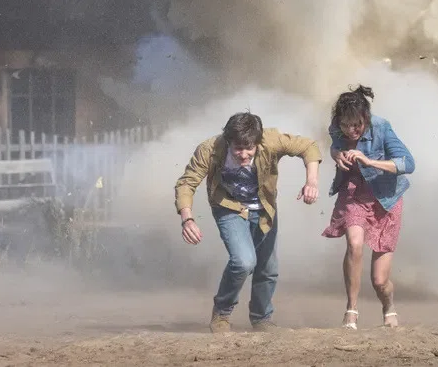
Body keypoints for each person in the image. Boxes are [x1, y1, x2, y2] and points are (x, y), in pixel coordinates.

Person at [174, 111, 322, 333]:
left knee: (268, 267)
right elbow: (186, 183)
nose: (243, 154)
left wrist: (311, 181)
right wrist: (187, 219)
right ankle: (222, 312)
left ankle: (262, 319)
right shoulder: (210, 149)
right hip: (228, 206)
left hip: (264, 208)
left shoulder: (271, 140)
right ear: (228, 142)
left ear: (258, 142)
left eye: (249, 148)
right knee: (244, 261)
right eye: (238, 148)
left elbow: (309, 147)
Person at [321, 84, 415, 329]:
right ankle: (351, 310)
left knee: (379, 280)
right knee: (354, 243)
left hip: (385, 199)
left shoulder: (382, 126)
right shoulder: (336, 127)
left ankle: (388, 305)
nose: (350, 130)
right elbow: (335, 145)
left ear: (366, 118)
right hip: (353, 191)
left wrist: (370, 161)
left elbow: (408, 163)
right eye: (345, 125)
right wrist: (335, 154)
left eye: (357, 125)